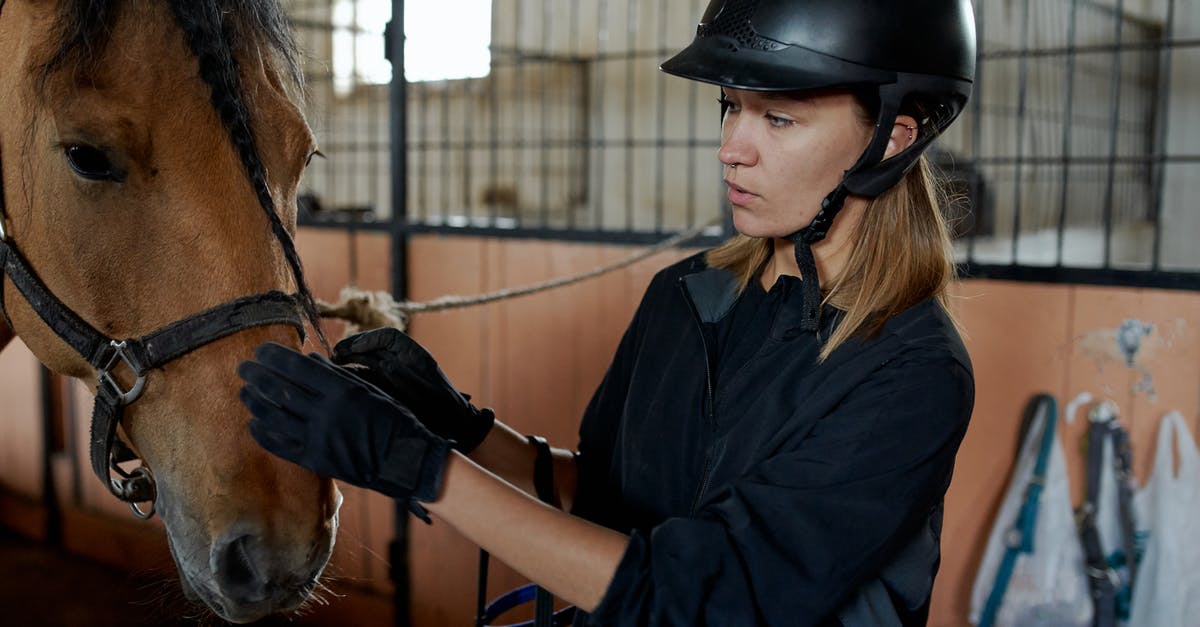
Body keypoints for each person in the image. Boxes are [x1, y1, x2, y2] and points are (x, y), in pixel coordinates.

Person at [237, 0, 978, 624]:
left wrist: (423, 469)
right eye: (730, 107)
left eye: (777, 119)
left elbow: (703, 590)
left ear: (892, 137)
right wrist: (459, 427)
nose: (730, 148)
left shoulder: (909, 370)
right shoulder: (688, 295)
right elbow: (609, 497)